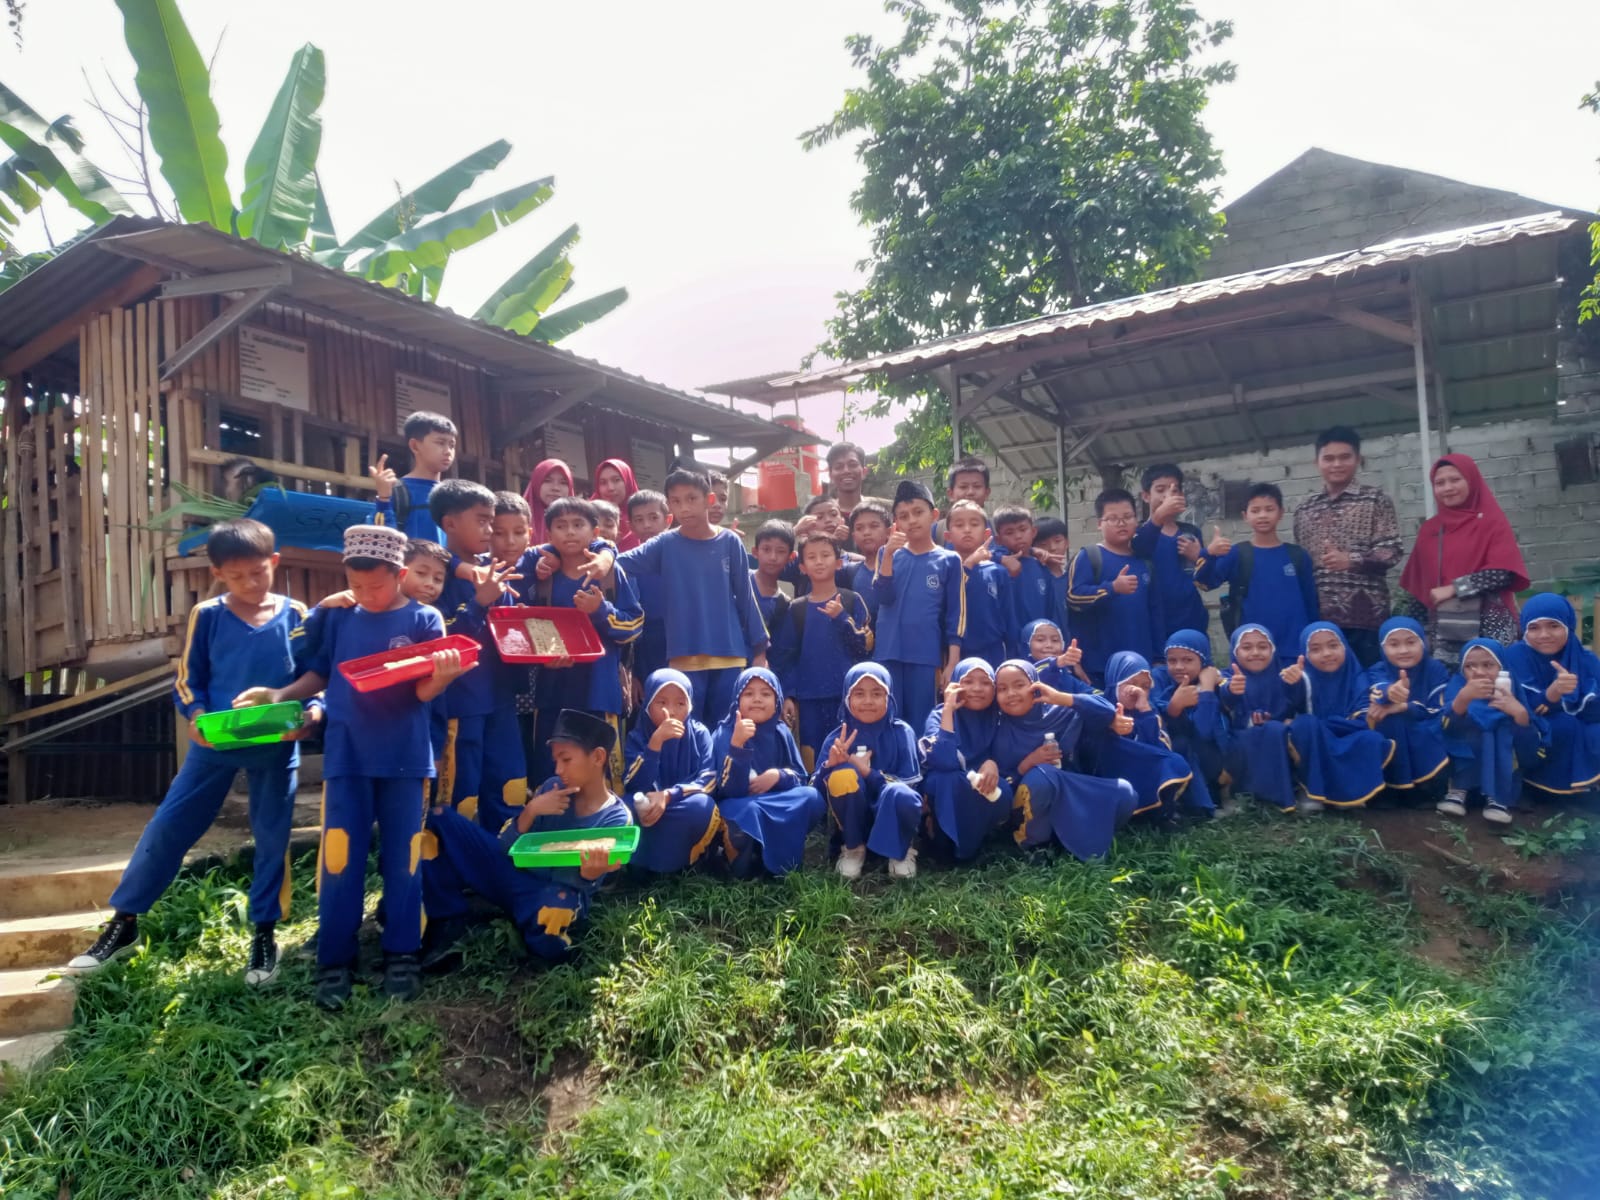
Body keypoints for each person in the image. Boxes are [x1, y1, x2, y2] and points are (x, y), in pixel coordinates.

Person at [69, 520, 313, 984]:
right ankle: (125, 922)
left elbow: (314, 676)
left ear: (274, 562)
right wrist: (197, 716)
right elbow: (187, 679)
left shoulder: (296, 614)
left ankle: (264, 934)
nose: (250, 583)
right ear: (217, 573)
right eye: (237, 576)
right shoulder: (209, 615)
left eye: (258, 572)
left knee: (272, 839)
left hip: (275, 747)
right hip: (214, 743)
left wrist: (308, 717)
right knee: (169, 827)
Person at [237, 524, 469, 1009]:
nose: (365, 593)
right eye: (356, 584)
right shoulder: (340, 617)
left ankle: (402, 953)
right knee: (340, 859)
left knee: (404, 860)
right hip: (347, 757)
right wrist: (281, 695)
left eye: (375, 585)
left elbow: (422, 692)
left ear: (399, 575)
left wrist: (442, 679)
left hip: (405, 760)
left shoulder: (425, 619)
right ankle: (334, 960)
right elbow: (320, 672)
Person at [419, 709, 629, 974]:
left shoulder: (616, 818)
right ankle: (447, 916)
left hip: (554, 891)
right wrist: (531, 811)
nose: (558, 769)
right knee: (440, 818)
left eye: (566, 759)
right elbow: (506, 848)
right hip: (514, 873)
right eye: (556, 761)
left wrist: (589, 873)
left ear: (598, 757)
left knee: (554, 916)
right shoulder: (552, 788)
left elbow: (582, 883)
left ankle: (528, 925)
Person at [617, 468, 769, 723]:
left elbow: (746, 597)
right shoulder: (665, 543)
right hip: (684, 656)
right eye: (676, 501)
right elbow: (619, 563)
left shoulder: (730, 542)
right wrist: (601, 553)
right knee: (686, 729)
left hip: (729, 654)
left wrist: (760, 649)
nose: (684, 508)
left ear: (709, 499)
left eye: (691, 499)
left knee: (728, 728)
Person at [523, 497, 644, 792]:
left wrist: (600, 611)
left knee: (604, 768)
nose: (570, 532)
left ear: (595, 532)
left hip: (599, 690)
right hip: (552, 690)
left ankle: (606, 817)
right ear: (548, 533)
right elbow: (526, 627)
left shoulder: (611, 574)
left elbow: (634, 625)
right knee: (550, 766)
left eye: (578, 525)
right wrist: (542, 658)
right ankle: (551, 817)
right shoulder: (543, 575)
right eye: (561, 526)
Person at [429, 479, 526, 829]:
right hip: (460, 704)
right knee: (460, 792)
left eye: (491, 522)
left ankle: (505, 855)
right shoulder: (433, 573)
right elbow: (438, 640)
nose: (489, 531)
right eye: (482, 521)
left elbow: (510, 633)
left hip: (501, 699)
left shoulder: (496, 568)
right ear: (450, 523)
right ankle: (454, 860)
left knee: (509, 784)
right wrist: (479, 602)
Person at [989, 659, 1137, 859]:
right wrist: (1027, 764)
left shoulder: (1058, 712)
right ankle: (1035, 844)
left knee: (1126, 794)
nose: (1011, 693)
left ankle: (1068, 837)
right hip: (1028, 807)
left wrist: (1061, 698)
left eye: (1019, 685)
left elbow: (1107, 710)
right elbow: (1003, 786)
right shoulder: (998, 728)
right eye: (1002, 689)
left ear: (1035, 685)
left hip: (1069, 788)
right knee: (1041, 777)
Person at [1397, 454, 1530, 665]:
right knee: (1447, 681)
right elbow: (1421, 589)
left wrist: (1455, 588)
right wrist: (1412, 628)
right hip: (1443, 628)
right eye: (1440, 483)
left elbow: (1502, 573)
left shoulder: (1492, 522)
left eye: (1455, 480)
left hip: (1489, 624)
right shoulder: (1430, 530)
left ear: (1471, 480)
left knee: (1492, 679)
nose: (1448, 488)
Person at [1292, 426, 1402, 668]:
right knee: (1326, 682)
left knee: (1369, 679)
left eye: (1344, 457)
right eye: (1329, 458)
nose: (1337, 464)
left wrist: (1352, 560)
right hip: (1319, 620)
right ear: (1317, 462)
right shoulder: (1304, 509)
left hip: (1366, 617)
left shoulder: (1375, 500)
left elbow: (1392, 551)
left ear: (1358, 459)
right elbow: (1302, 564)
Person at [770, 531, 873, 769]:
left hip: (848, 695)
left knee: (848, 751)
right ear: (802, 567)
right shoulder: (797, 609)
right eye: (812, 557)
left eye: (825, 555)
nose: (819, 561)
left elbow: (865, 648)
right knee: (812, 757)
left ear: (838, 563)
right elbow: (785, 657)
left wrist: (842, 618)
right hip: (809, 698)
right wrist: (789, 694)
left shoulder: (851, 600)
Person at [813, 663, 925, 879]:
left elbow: (911, 789)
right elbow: (816, 792)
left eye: (877, 693)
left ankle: (901, 851)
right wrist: (830, 765)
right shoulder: (837, 738)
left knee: (900, 793)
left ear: (889, 698)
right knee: (843, 776)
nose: (868, 701)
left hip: (891, 814)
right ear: (847, 698)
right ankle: (853, 848)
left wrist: (868, 773)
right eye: (859, 694)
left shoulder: (902, 733)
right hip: (853, 820)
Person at [710, 668, 825, 877]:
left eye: (765, 694)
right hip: (740, 803)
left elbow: (800, 778)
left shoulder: (781, 731)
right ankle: (744, 863)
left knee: (812, 797)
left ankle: (779, 859)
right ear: (737, 700)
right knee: (748, 812)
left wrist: (778, 776)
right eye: (748, 693)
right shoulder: (725, 732)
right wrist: (737, 746)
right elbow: (726, 790)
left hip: (775, 800)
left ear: (777, 701)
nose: (757, 699)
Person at [873, 480, 965, 734]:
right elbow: (882, 597)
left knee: (922, 720)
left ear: (934, 515)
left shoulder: (949, 560)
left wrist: (952, 662)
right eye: (903, 516)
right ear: (896, 523)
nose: (912, 521)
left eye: (918, 512)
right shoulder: (886, 553)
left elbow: (956, 615)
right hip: (888, 651)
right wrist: (888, 556)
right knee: (887, 719)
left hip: (925, 654)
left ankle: (920, 760)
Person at [1196, 483, 1319, 666]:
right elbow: (1204, 583)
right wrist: (1209, 553)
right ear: (1245, 516)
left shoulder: (1298, 556)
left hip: (1294, 650)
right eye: (1255, 510)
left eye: (1269, 509)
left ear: (1281, 513)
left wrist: (1313, 643)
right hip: (1252, 652)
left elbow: (1311, 604)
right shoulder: (1237, 553)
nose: (1262, 515)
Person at [1082, 652, 1206, 822]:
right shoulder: (1100, 706)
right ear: (1115, 682)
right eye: (1131, 683)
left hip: (1139, 766)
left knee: (1172, 761)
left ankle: (1160, 815)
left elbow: (1157, 746)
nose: (1138, 690)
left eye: (1145, 686)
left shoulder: (1147, 709)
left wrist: (1144, 711)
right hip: (1108, 771)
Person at [622, 669, 724, 872]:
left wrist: (669, 796)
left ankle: (688, 861)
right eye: (662, 702)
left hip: (681, 802)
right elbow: (633, 784)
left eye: (680, 703)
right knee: (624, 808)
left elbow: (709, 781)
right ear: (648, 704)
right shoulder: (637, 736)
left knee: (703, 806)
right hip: (648, 805)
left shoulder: (700, 734)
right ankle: (641, 865)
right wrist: (655, 744)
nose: (672, 710)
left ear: (690, 705)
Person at [1288, 623, 1395, 813]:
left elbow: (1363, 719)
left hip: (1348, 735)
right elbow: (1289, 709)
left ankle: (1350, 793)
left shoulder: (1358, 678)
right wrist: (1291, 685)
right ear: (1305, 654)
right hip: (1317, 737)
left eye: (1333, 646)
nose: (1327, 653)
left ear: (1345, 646)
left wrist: (1327, 725)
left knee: (1371, 738)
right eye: (1316, 649)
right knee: (1305, 725)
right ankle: (1310, 791)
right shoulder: (1300, 678)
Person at [1502, 594, 1600, 801]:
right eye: (1534, 628)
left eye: (1553, 626)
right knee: (1563, 726)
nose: (1544, 635)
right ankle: (1542, 789)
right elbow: (1520, 705)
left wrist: (1576, 697)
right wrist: (1552, 693)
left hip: (1580, 721)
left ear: (1568, 626)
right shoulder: (1516, 656)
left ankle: (1587, 787)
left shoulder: (1586, 660)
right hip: (1531, 725)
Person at [1440, 639, 1547, 824]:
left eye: (1488, 665)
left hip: (1502, 756)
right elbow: (1446, 726)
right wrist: (1463, 698)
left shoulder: (1512, 689)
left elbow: (1529, 738)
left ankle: (1498, 799)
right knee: (1473, 728)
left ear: (1502, 667)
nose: (1479, 672)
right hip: (1465, 753)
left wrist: (1519, 713)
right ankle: (1458, 791)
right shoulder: (1458, 686)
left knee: (1501, 731)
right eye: (1470, 666)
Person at [919, 659, 1012, 862]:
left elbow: (1008, 757)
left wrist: (992, 763)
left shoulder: (999, 717)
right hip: (947, 781)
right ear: (954, 685)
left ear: (994, 689)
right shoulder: (939, 715)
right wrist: (949, 711)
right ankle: (942, 843)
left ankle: (974, 843)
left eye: (985, 683)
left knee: (1003, 790)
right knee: (946, 779)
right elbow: (943, 761)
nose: (977, 688)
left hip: (983, 782)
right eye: (968, 682)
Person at [1067, 489, 1157, 685]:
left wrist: (1158, 656)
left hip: (1141, 662)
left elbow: (1155, 611)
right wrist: (1112, 588)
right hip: (1100, 665)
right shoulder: (1089, 556)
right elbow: (1073, 598)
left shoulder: (1145, 562)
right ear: (1099, 523)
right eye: (1113, 519)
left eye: (1128, 517)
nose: (1121, 523)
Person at [1359, 617, 1451, 804]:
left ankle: (1425, 789)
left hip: (1425, 721)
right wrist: (1391, 692)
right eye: (1394, 644)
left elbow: (1437, 708)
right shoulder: (1378, 669)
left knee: (1433, 727)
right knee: (1388, 720)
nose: (1403, 650)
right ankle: (1389, 788)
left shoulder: (1435, 669)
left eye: (1410, 642)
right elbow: (1378, 688)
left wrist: (1405, 706)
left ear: (1423, 643)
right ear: (1383, 648)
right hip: (1395, 727)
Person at [1218, 624, 1299, 813]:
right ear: (1235, 651)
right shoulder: (1227, 676)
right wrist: (1232, 691)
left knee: (1280, 730)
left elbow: (1295, 705)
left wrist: (1296, 686)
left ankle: (1290, 790)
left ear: (1273, 649)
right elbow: (1224, 695)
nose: (1255, 653)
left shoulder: (1283, 676)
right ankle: (1242, 793)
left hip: (1278, 736)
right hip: (1238, 738)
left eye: (1263, 647)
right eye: (1246, 647)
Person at [1151, 631, 1228, 814]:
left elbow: (1205, 731)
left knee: (1188, 743)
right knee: (1180, 744)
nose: (1179, 667)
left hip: (1211, 757)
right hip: (1177, 757)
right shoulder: (1160, 680)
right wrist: (1174, 707)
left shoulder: (1215, 682)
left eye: (1187, 660)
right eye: (1172, 660)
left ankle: (1207, 800)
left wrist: (1206, 690)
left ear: (1203, 661)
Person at [1132, 464, 1209, 642]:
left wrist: (1200, 557)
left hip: (1190, 619)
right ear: (1146, 496)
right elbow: (1141, 548)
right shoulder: (1136, 533)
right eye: (1160, 490)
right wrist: (1159, 516)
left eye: (1174, 490)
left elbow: (1207, 581)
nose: (1168, 496)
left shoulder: (1191, 532)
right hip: (1153, 622)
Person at [371, 411, 458, 542]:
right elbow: (378, 540)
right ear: (415, 446)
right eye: (440, 443)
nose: (448, 451)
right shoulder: (397, 492)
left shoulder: (455, 496)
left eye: (452, 445)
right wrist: (383, 499)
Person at [946, 499, 1011, 666]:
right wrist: (968, 564)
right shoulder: (943, 570)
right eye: (959, 525)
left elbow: (1009, 619)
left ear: (986, 534)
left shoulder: (998, 572)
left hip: (992, 652)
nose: (967, 529)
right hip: (954, 654)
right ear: (948, 536)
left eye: (974, 524)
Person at [993, 505, 1054, 641]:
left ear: (1033, 531)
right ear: (998, 540)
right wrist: (999, 559)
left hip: (1039, 643)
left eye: (1023, 529)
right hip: (1008, 642)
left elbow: (1050, 610)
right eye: (1009, 532)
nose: (1018, 536)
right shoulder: (997, 565)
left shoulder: (1042, 568)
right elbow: (982, 555)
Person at [846, 498, 893, 619]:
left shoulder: (900, 566)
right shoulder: (851, 571)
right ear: (854, 536)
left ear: (889, 532)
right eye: (859, 528)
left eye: (874, 526)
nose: (866, 532)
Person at [751, 519, 796, 630]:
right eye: (766, 549)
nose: (773, 557)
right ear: (755, 552)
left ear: (791, 557)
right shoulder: (739, 580)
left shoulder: (784, 604)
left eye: (781, 551)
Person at [1022, 618, 1088, 693]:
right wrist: (1057, 662)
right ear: (1026, 645)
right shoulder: (1019, 672)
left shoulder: (1064, 674)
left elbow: (1091, 693)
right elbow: (1034, 677)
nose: (1049, 645)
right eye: (1040, 640)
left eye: (1055, 640)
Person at [1032, 516, 1073, 630]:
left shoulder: (1074, 577)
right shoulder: (1033, 579)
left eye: (1057, 541)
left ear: (1067, 543)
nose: (1052, 548)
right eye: (1043, 544)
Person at [521, 458, 574, 544]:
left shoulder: (581, 521)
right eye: (547, 481)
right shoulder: (518, 518)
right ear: (536, 483)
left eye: (563, 482)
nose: (555, 488)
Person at [592, 458, 640, 550]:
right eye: (603, 482)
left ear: (628, 481)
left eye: (616, 480)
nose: (610, 488)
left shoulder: (644, 518)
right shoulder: (585, 514)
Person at [826, 441, 868, 517]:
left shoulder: (880, 512)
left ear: (864, 472)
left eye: (853, 465)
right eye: (838, 467)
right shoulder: (823, 516)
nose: (846, 471)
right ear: (830, 475)